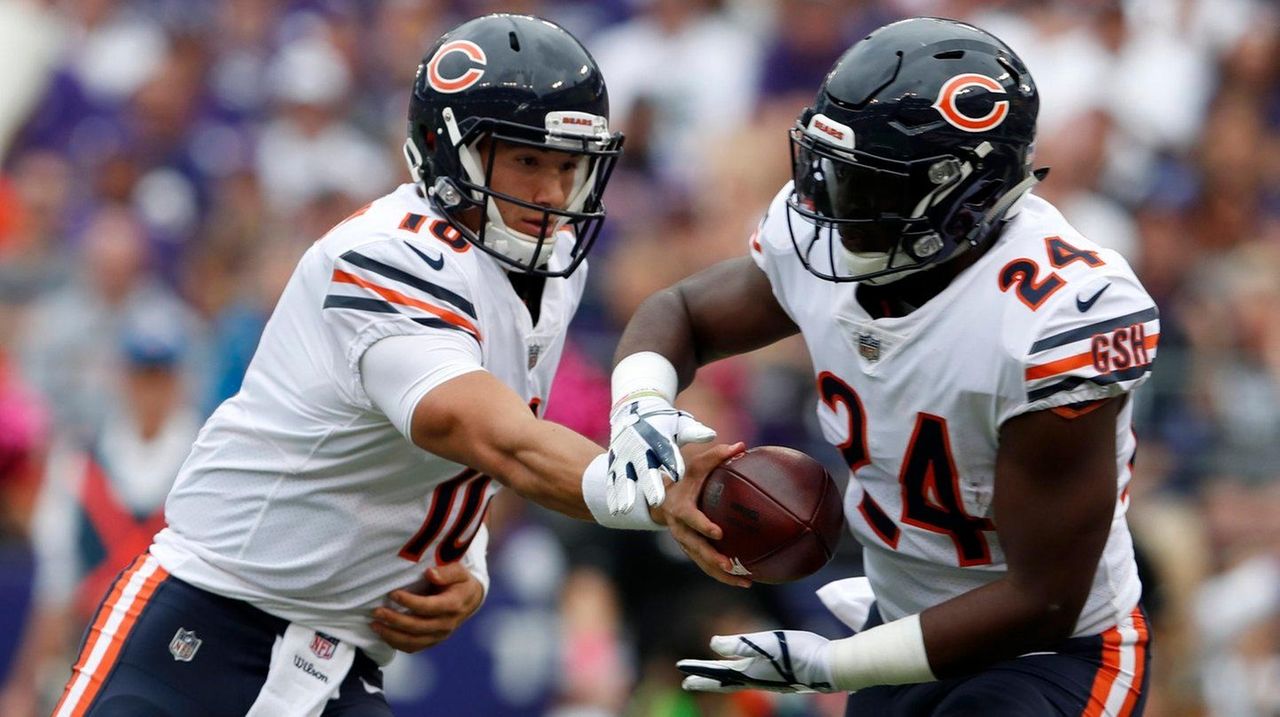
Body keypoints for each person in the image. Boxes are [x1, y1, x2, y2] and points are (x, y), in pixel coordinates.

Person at [51, 14, 703, 717]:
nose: (550, 194)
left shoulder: (546, 271)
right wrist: (660, 490)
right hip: (208, 621)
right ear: (449, 153)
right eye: (527, 160)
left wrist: (469, 558)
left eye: (567, 165)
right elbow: (486, 432)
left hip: (340, 666)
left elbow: (477, 448)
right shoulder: (387, 255)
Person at [604, 17, 1158, 716]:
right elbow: (683, 311)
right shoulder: (837, 233)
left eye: (869, 186)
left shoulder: (1056, 315)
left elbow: (1043, 598)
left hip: (1051, 655)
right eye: (832, 171)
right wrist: (641, 407)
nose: (833, 205)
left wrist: (834, 663)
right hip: (900, 629)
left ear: (965, 193)